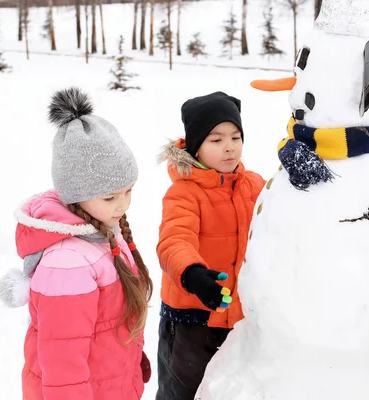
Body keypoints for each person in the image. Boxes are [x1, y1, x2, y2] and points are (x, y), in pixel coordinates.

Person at [0, 87, 152, 400]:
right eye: (110, 196)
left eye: (128, 191)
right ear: (75, 195)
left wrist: (131, 361)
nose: (123, 205)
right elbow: (62, 366)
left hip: (110, 385)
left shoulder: (104, 231)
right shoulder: (68, 263)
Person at [155, 91, 266, 400]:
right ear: (196, 146)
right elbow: (174, 239)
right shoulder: (184, 193)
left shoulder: (255, 184)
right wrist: (192, 273)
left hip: (240, 317)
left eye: (235, 137)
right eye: (215, 140)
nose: (229, 147)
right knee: (184, 393)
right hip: (192, 319)